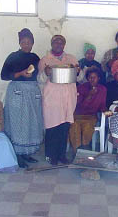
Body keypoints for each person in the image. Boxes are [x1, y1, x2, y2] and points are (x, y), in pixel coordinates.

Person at [1, 28, 43, 168]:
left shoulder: (35, 57)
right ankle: (17, 155)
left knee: (30, 122)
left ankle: (26, 152)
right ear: (20, 43)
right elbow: (4, 75)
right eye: (23, 42)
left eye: (29, 42)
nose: (26, 45)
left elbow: (39, 74)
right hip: (17, 92)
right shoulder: (13, 56)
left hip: (32, 93)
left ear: (32, 43)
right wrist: (20, 74)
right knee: (17, 123)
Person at [38, 35, 79, 165]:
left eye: (61, 42)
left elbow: (80, 77)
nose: (58, 44)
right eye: (55, 42)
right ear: (51, 44)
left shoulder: (71, 58)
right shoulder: (45, 60)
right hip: (52, 99)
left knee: (64, 127)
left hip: (68, 98)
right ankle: (51, 156)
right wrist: (46, 72)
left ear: (64, 44)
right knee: (52, 128)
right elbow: (40, 80)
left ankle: (62, 155)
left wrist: (78, 71)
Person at [69, 67, 107, 151]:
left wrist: (105, 111)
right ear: (87, 78)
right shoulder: (82, 88)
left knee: (88, 126)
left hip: (91, 116)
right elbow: (79, 106)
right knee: (74, 125)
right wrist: (89, 95)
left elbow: (102, 105)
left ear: (99, 78)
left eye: (95, 77)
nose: (92, 80)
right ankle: (76, 150)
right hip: (78, 115)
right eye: (90, 77)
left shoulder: (102, 89)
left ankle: (85, 148)